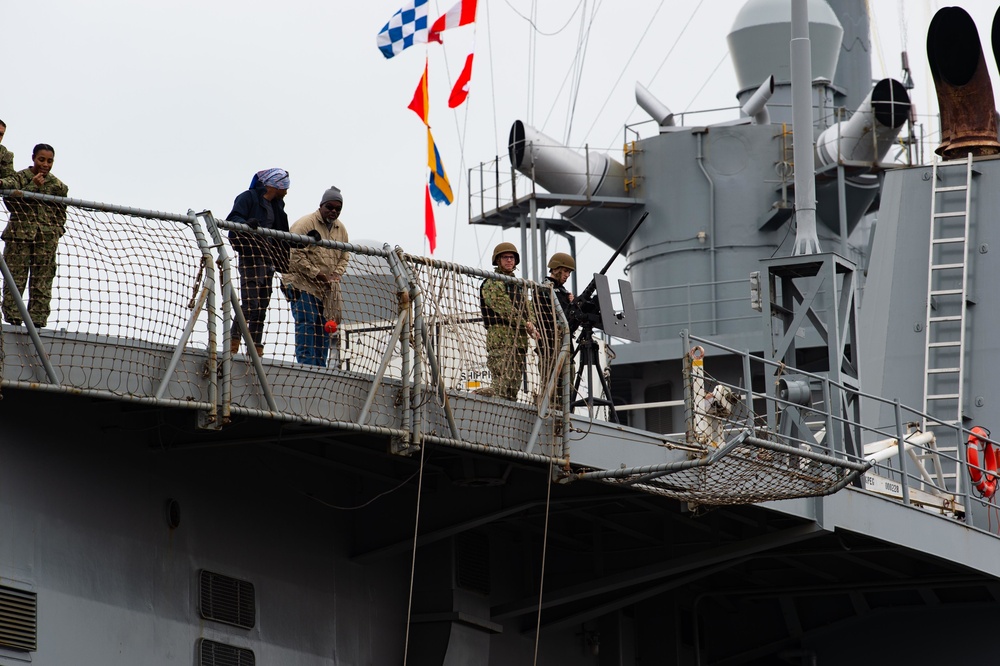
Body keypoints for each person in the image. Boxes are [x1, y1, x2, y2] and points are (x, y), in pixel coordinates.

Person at [0, 143, 69, 327]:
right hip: (19, 238)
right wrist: (32, 187)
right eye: (41, 160)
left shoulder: (58, 187)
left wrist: (55, 233)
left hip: (45, 242)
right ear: (33, 158)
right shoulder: (21, 178)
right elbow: (12, 203)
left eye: (49, 161)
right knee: (15, 279)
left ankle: (37, 323)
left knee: (42, 282)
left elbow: (61, 214)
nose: (45, 164)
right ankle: (13, 321)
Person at [283, 186, 350, 367]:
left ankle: (320, 369)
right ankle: (306, 367)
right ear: (321, 205)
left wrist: (336, 274)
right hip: (302, 285)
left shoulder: (340, 229)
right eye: (330, 207)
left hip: (325, 290)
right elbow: (294, 255)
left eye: (338, 209)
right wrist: (318, 275)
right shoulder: (305, 224)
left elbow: (345, 254)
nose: (333, 211)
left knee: (324, 329)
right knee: (307, 324)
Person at [227, 168, 291, 357]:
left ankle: (255, 346)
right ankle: (233, 339)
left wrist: (305, 240)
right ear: (275, 184)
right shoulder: (248, 198)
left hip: (268, 258)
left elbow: (284, 236)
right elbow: (233, 218)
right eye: (285, 186)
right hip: (251, 255)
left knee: (262, 304)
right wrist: (248, 224)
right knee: (250, 302)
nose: (287, 191)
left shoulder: (278, 207)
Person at [480, 242, 539, 400]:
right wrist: (525, 323)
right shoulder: (492, 283)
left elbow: (528, 308)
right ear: (498, 260)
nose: (509, 260)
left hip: (518, 342)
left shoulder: (518, 286)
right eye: (505, 257)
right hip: (501, 341)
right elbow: (504, 307)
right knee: (501, 386)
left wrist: (531, 323)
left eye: (511, 257)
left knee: (512, 388)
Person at [535, 252, 582, 400]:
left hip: (564, 347)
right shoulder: (544, 289)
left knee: (567, 393)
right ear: (556, 269)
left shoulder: (562, 292)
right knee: (552, 391)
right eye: (566, 271)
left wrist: (573, 304)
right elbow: (547, 318)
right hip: (551, 348)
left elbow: (569, 323)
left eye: (569, 272)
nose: (568, 275)